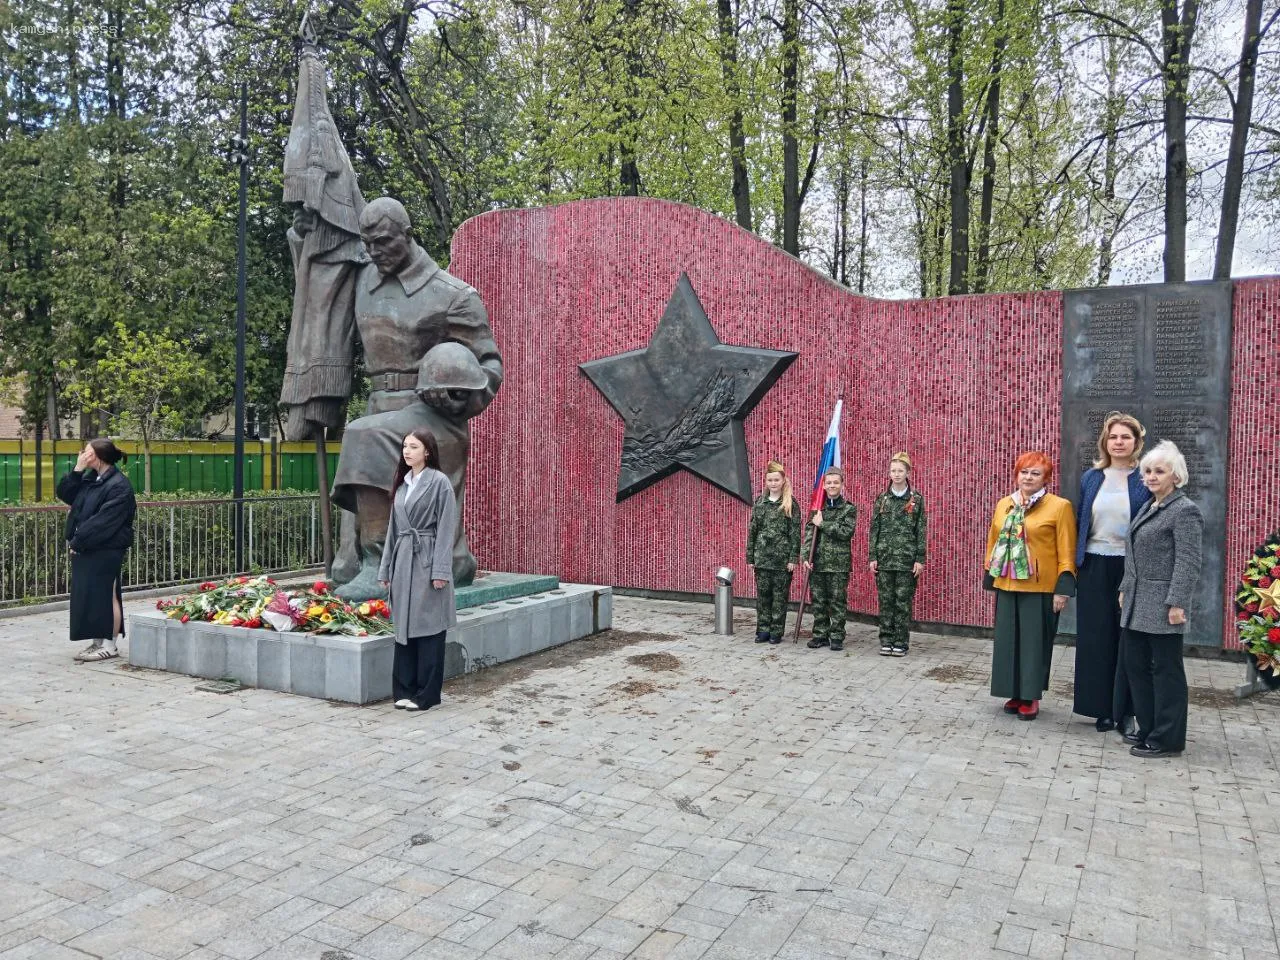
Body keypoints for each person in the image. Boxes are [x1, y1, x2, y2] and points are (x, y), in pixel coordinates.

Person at [1118, 440, 1203, 758]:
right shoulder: (1149, 506)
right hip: (1138, 602)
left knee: (1166, 671)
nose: (1152, 476)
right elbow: (1134, 554)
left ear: (1176, 476)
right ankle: (1148, 726)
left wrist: (1178, 602)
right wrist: (1125, 588)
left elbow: (1189, 561)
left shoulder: (1185, 511)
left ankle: (1167, 738)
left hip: (1165, 605)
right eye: (1148, 471)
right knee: (1135, 666)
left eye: (1159, 471)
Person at [1073, 412, 1150, 733]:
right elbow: (1080, 522)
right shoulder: (1092, 477)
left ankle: (1127, 710)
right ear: (1106, 441)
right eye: (1114, 437)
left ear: (1136, 442)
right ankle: (1101, 709)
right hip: (1093, 564)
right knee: (1096, 639)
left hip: (1128, 567)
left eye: (1126, 437)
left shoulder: (1145, 478)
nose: (1119, 442)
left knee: (1126, 640)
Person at [985, 451, 1077, 721]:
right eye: (1024, 472)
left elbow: (1067, 549)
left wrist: (1064, 586)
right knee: (1008, 642)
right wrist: (989, 572)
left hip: (1040, 587)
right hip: (1007, 583)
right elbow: (993, 540)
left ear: (1046, 478)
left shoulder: (1059, 507)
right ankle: (1014, 691)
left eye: (1035, 473)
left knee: (1034, 644)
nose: (1028, 477)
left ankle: (1031, 696)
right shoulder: (1005, 504)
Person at [378, 428, 458, 711]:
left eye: (413, 446)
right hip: (402, 561)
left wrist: (440, 571)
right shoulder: (401, 486)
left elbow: (447, 528)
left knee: (429, 625)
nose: (407, 451)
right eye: (404, 447)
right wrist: (385, 570)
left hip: (426, 558)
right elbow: (393, 531)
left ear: (427, 451)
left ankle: (427, 695)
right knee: (404, 626)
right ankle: (404, 689)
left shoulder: (439, 483)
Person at [56, 440, 137, 661]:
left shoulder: (119, 485)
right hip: (89, 545)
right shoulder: (90, 479)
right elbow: (65, 494)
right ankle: (97, 641)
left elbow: (104, 521)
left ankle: (110, 644)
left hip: (107, 547)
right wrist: (77, 469)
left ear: (99, 456)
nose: (83, 454)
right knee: (90, 594)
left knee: (107, 593)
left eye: (88, 452)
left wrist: (78, 541)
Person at [869, 452, 927, 657]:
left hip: (906, 560)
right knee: (886, 602)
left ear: (908, 472)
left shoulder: (917, 500)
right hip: (884, 559)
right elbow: (874, 528)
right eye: (893, 470)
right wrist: (872, 556)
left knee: (903, 602)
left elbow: (921, 530)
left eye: (900, 470)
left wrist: (920, 558)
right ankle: (886, 639)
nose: (896, 474)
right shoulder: (882, 499)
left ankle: (901, 642)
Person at [746, 461, 801, 645]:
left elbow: (795, 534)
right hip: (762, 558)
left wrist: (793, 558)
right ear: (766, 481)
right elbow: (753, 530)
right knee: (763, 597)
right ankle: (763, 629)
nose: (773, 483)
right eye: (770, 480)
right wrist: (751, 556)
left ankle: (776, 630)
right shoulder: (759, 503)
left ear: (783, 480)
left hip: (782, 560)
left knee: (779, 597)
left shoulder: (790, 504)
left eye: (776, 479)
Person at [802, 467, 857, 651]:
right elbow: (809, 533)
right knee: (818, 601)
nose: (832, 486)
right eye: (829, 483)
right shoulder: (817, 508)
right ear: (823, 485)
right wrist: (805, 556)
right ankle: (820, 634)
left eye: (836, 482)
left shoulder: (848, 508)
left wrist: (823, 524)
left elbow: (845, 532)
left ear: (842, 485)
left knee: (837, 601)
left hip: (838, 565)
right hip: (817, 562)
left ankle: (837, 636)